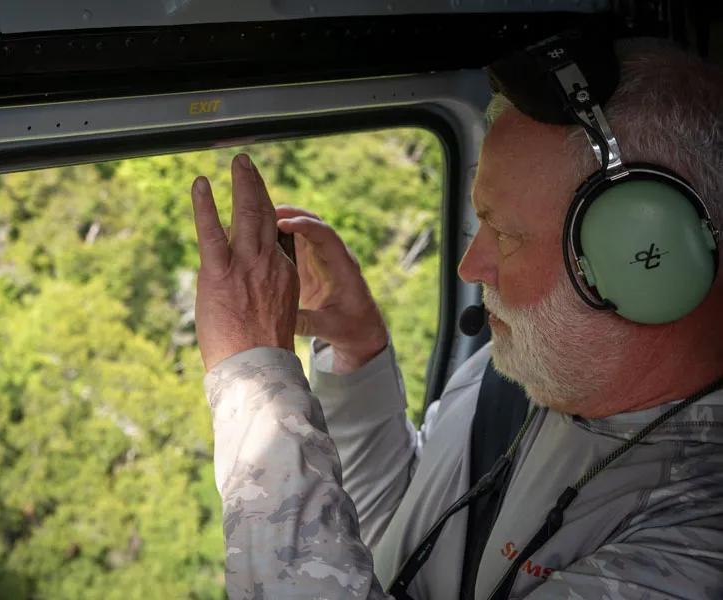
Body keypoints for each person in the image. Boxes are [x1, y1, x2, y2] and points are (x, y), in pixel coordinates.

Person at [190, 39, 723, 599]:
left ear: (648, 259)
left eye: (508, 234)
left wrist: (254, 384)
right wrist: (357, 357)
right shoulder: (517, 369)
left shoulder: (692, 542)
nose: (473, 266)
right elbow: (396, 546)